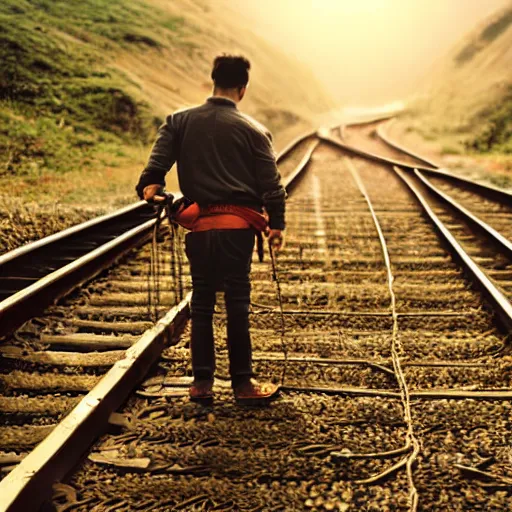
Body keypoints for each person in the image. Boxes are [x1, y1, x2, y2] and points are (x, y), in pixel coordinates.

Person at [135, 54, 286, 405]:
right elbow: (272, 186)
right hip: (237, 232)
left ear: (212, 82)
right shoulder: (254, 131)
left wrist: (151, 186)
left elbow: (155, 170)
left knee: (201, 301)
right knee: (237, 301)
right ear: (242, 90)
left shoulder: (179, 121)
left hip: (199, 229)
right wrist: (276, 225)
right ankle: (242, 385)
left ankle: (201, 383)